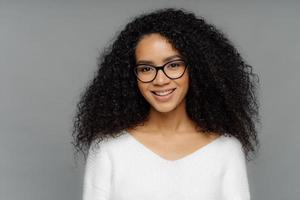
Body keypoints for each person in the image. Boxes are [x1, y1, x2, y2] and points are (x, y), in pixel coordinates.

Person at [72, 7, 260, 200]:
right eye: (146, 68)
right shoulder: (108, 149)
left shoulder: (226, 150)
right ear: (131, 76)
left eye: (173, 65)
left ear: (196, 68)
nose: (160, 80)